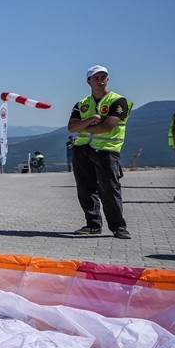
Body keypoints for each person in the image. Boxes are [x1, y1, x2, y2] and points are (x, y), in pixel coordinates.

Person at [68, 65, 132, 239]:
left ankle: (118, 227)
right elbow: (71, 127)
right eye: (96, 78)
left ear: (108, 79)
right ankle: (93, 225)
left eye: (103, 77)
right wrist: (92, 119)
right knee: (85, 189)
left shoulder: (118, 101)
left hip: (106, 151)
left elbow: (107, 126)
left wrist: (84, 127)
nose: (100, 80)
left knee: (110, 189)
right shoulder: (82, 104)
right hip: (82, 150)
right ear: (88, 81)